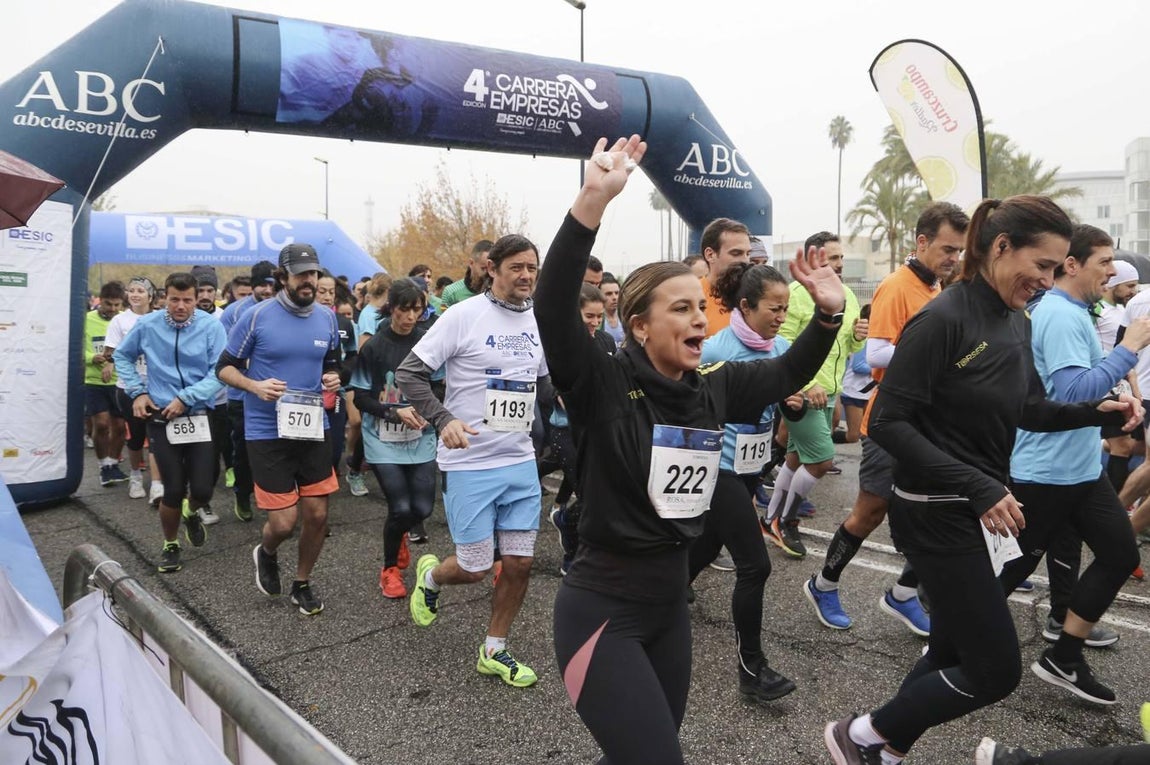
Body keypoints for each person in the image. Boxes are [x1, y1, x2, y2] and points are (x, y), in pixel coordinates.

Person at [539, 136, 843, 764]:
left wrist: (828, 318)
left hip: (667, 611)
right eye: (681, 308)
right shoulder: (602, 384)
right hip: (601, 611)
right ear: (641, 326)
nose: (700, 319)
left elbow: (787, 372)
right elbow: (551, 305)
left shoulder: (713, 390)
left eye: (699, 308)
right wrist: (591, 204)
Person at [823, 195, 1141, 765]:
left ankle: (885, 747)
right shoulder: (943, 318)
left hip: (977, 511)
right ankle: (862, 735)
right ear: (1000, 247)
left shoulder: (1014, 320)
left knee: (950, 651)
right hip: (934, 512)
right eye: (1041, 266)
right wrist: (980, 484)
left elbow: (1029, 410)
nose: (1047, 281)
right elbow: (890, 422)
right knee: (995, 670)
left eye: (1056, 268)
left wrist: (1099, 414)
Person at [397, 231, 551, 689]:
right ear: (492, 269)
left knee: (520, 564)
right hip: (470, 463)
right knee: (475, 567)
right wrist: (443, 418)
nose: (525, 276)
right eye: (516, 267)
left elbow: (542, 385)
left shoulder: (536, 320)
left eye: (531, 268)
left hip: (519, 460)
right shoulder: (463, 316)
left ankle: (495, 650)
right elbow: (410, 372)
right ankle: (432, 575)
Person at [1001, 224, 1147, 703]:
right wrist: (1130, 347)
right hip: (1046, 471)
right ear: (1072, 265)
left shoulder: (1076, 312)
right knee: (1009, 569)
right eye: (1104, 261)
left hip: (1081, 470)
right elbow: (1069, 391)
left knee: (1122, 554)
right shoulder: (1061, 316)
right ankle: (947, 644)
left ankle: (1064, 656)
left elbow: (1076, 389)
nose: (1112, 271)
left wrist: (1113, 401)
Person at [806, 202, 967, 633]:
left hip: (925, 423)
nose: (955, 258)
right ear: (922, 242)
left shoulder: (933, 286)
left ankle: (903, 594)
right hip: (890, 421)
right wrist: (946, 359)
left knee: (931, 513)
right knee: (871, 510)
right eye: (949, 248)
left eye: (960, 251)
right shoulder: (899, 286)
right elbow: (876, 354)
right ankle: (824, 583)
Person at [693, 260, 811, 706]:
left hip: (752, 464)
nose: (781, 318)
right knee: (755, 564)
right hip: (718, 467)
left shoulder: (781, 347)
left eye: (785, 309)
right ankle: (752, 670)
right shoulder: (714, 351)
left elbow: (788, 412)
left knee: (704, 546)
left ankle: (653, 606)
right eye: (773, 309)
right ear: (745, 306)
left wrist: (796, 405)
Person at [217, 244, 343, 615]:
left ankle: (302, 582)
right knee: (284, 522)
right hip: (265, 428)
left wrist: (334, 377)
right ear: (282, 277)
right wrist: (255, 387)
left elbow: (333, 363)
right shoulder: (256, 317)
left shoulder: (327, 318)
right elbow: (223, 368)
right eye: (302, 274)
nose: (309, 280)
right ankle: (267, 551)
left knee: (318, 514)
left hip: (312, 424)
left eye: (314, 273)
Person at [113, 272, 227, 573]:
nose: (180, 306)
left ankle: (192, 512)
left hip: (198, 414)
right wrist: (138, 392)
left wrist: (187, 397)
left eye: (187, 300)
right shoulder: (148, 325)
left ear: (197, 299)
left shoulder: (211, 327)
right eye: (174, 299)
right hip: (161, 415)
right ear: (164, 298)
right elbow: (122, 357)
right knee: (173, 488)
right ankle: (170, 544)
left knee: (203, 488)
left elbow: (220, 371)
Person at [766, 231, 866, 559]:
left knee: (795, 459)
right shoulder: (796, 293)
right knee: (821, 460)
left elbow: (847, 348)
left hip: (832, 391)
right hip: (804, 393)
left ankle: (770, 518)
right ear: (813, 257)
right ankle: (786, 520)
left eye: (840, 258)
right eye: (831, 258)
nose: (838, 264)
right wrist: (805, 385)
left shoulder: (847, 294)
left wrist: (856, 336)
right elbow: (781, 342)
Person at [351, 278, 440, 598]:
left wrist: (427, 410)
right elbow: (360, 397)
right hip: (382, 436)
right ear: (391, 309)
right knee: (400, 507)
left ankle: (400, 533)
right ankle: (390, 569)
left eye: (417, 310)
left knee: (423, 509)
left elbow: (441, 386)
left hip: (420, 434)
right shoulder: (374, 346)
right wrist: (393, 412)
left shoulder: (429, 341)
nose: (411, 317)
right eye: (405, 310)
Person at [547, 284, 617, 576]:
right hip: (565, 431)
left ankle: (565, 518)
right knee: (589, 495)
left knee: (600, 495)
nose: (594, 322)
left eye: (599, 317)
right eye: (589, 316)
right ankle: (573, 556)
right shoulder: (557, 342)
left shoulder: (605, 341)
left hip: (598, 430)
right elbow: (547, 383)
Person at [219, 261, 277, 522]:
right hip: (242, 395)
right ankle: (243, 493)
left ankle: (276, 498)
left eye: (271, 284)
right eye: (262, 285)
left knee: (277, 450)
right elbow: (226, 358)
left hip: (276, 394)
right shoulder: (234, 312)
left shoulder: (282, 309)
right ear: (252, 285)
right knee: (244, 450)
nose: (267, 290)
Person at [103, 276, 159, 503]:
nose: (135, 294)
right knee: (136, 436)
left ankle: (157, 484)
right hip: (128, 388)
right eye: (131, 290)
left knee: (157, 436)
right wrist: (130, 351)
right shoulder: (120, 321)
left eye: (140, 291)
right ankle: (136, 476)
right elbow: (110, 352)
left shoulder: (160, 317)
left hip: (157, 386)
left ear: (150, 296)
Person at [85, 281, 127, 487]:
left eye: (117, 305)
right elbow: (78, 349)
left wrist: (112, 361)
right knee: (101, 424)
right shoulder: (87, 320)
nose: (112, 309)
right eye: (108, 304)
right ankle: (103, 466)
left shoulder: (124, 321)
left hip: (119, 381)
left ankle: (113, 463)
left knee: (119, 427)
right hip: (94, 381)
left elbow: (129, 350)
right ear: (100, 301)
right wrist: (92, 358)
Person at [698, 218, 752, 338]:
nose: (745, 260)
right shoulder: (692, 298)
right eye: (736, 253)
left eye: (748, 254)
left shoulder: (756, 295)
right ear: (710, 255)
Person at [837, 303, 874, 445]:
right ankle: (823, 444)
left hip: (867, 392)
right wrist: (879, 367)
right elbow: (859, 366)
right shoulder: (863, 337)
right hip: (853, 392)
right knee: (854, 435)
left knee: (866, 432)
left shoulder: (876, 337)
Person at [439, 239, 493, 311]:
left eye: (492, 269)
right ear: (471, 263)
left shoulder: (501, 293)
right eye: (483, 268)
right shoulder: (450, 293)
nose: (489, 273)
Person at [599, 273, 625, 345]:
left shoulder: (626, 317)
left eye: (617, 293)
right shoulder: (596, 321)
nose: (614, 297)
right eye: (609, 294)